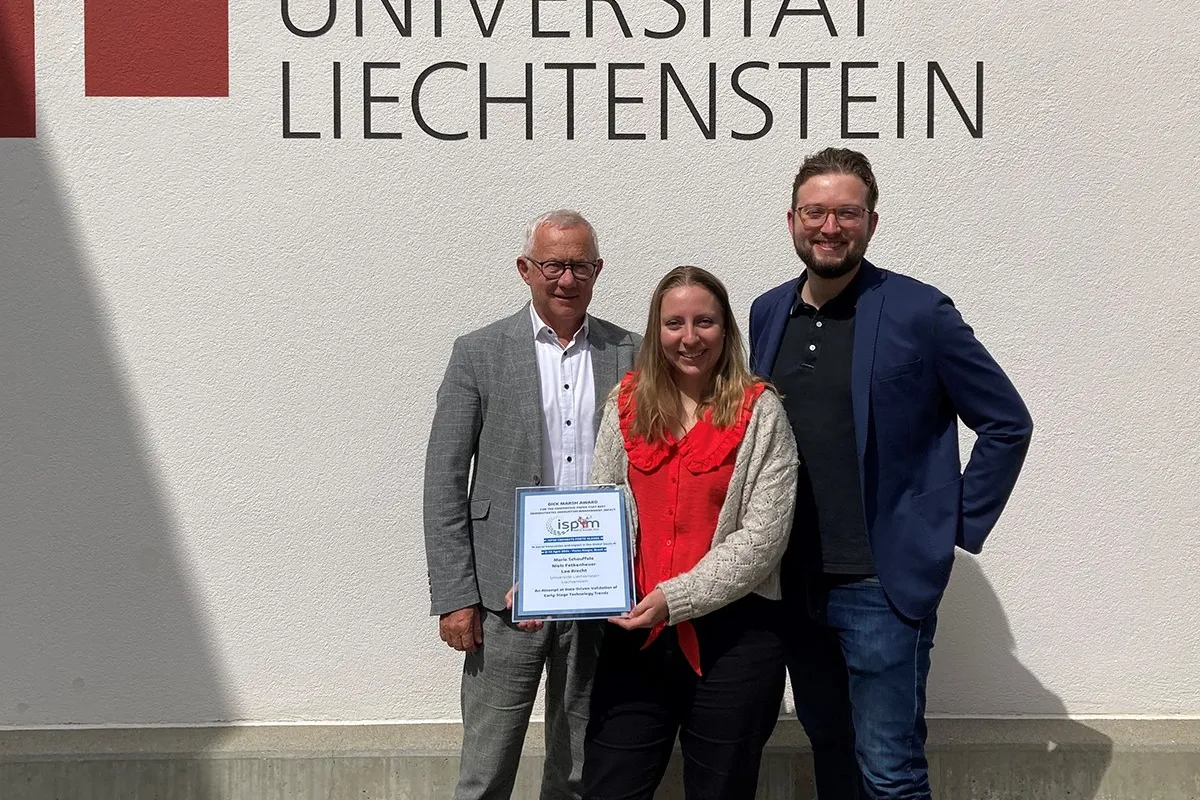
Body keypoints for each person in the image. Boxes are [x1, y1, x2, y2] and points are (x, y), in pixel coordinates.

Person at [749, 148, 1034, 799]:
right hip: (793, 583)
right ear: (792, 220)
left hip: (880, 585)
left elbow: (1006, 422)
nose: (829, 226)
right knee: (829, 749)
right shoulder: (768, 312)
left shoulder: (919, 312)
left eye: (846, 213)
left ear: (870, 223)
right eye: (815, 212)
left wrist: (952, 524)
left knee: (890, 768)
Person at [423, 210, 640, 800]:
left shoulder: (633, 353)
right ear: (526, 270)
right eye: (553, 265)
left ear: (598, 271)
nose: (566, 279)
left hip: (598, 593)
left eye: (580, 266)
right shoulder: (479, 353)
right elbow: (444, 479)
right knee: (486, 766)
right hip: (502, 596)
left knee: (577, 769)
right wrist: (456, 597)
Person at [582, 266, 799, 800]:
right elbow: (598, 508)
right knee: (610, 788)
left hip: (735, 643)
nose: (689, 337)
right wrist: (547, 581)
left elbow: (761, 541)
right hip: (634, 634)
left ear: (725, 330)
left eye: (704, 321)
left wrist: (674, 598)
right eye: (673, 322)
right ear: (656, 332)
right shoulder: (626, 404)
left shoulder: (761, 412)